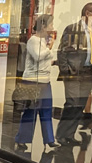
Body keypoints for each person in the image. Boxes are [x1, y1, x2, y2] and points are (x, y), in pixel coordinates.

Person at [56, 3, 92, 145]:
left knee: (80, 104)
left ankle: (69, 135)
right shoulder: (72, 29)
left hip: (88, 72)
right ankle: (61, 135)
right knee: (72, 103)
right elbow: (62, 51)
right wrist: (66, 70)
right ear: (87, 13)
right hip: (73, 73)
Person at [15, 15, 60, 152]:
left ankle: (49, 140)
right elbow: (38, 56)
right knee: (30, 111)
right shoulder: (33, 40)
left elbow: (44, 59)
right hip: (32, 81)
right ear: (44, 26)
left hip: (44, 81)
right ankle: (22, 139)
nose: (52, 27)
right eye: (50, 25)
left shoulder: (43, 41)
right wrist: (50, 47)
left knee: (46, 110)